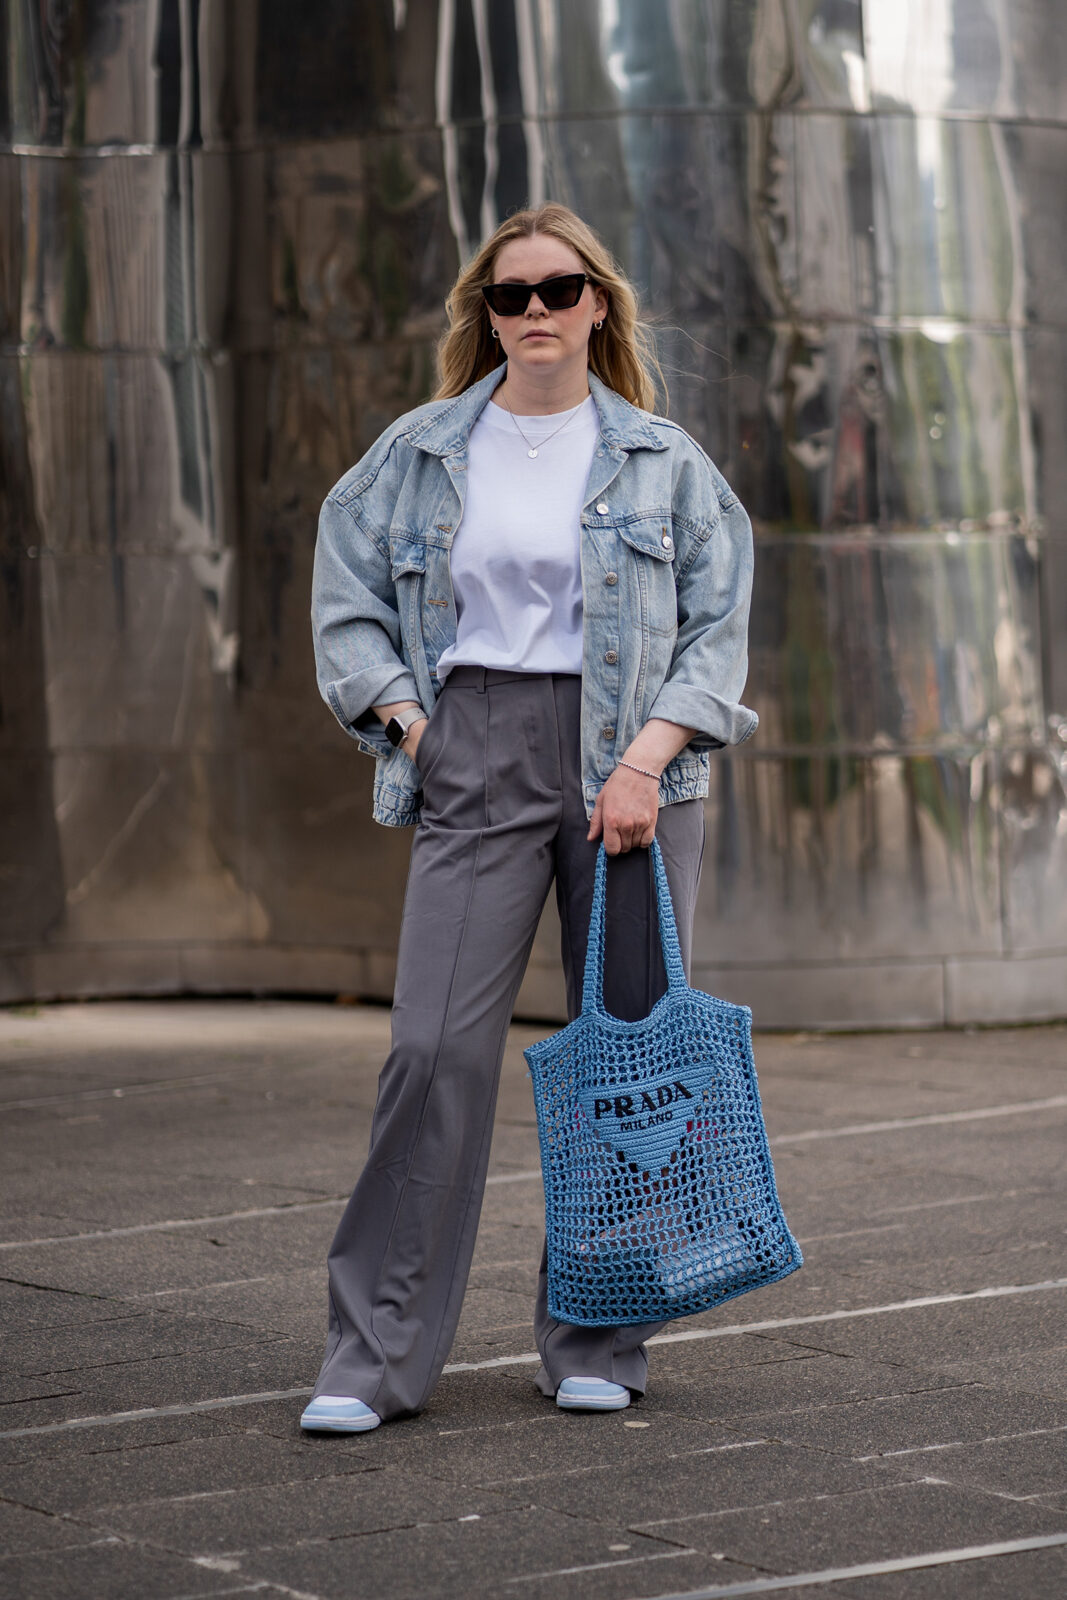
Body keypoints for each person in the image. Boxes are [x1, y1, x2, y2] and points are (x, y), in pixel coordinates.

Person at [303, 203, 757, 1433]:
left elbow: (719, 628)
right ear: (485, 314)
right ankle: (375, 1354)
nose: (537, 314)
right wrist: (412, 725)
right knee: (432, 1050)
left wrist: (646, 760)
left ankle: (599, 1333)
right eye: (512, 297)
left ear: (597, 304)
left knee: (624, 1053)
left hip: (633, 767)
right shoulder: (422, 449)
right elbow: (345, 594)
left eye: (560, 291)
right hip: (475, 747)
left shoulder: (662, 457)